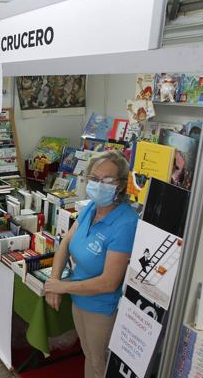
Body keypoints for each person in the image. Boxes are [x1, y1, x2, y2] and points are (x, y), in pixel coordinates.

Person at [44, 150, 139, 378]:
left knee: (100, 363)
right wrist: (55, 279)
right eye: (94, 179)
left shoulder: (125, 223)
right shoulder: (90, 208)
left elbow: (108, 283)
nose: (99, 184)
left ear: (121, 184)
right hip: (80, 300)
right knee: (90, 357)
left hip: (102, 308)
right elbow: (66, 243)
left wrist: (62, 287)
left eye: (107, 180)